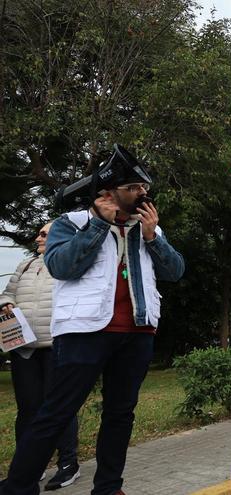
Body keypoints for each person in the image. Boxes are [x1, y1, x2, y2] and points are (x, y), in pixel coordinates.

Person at [2, 162, 185, 495]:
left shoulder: (150, 228)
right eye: (134, 188)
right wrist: (99, 225)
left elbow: (175, 271)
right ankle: (17, 487)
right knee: (56, 412)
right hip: (84, 333)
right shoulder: (70, 223)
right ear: (108, 192)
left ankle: (109, 488)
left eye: (144, 187)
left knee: (120, 414)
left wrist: (152, 238)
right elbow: (60, 266)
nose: (143, 193)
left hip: (137, 332)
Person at [0, 223, 81, 491]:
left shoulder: (66, 263)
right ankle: (27, 469)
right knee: (27, 409)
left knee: (58, 407)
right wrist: (6, 304)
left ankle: (68, 465)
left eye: (44, 233)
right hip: (24, 346)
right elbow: (7, 293)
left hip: (57, 345)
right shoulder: (25, 265)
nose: (38, 237)